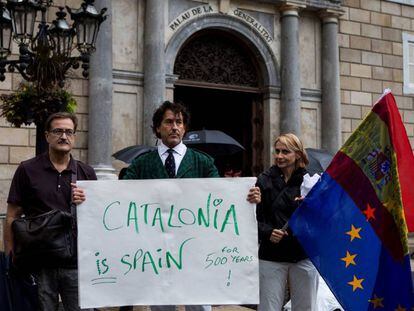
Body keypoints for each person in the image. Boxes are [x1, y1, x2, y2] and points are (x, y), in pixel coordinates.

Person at [122, 101, 261, 311]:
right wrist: (89, 198)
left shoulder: (203, 162)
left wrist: (247, 196)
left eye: (179, 122)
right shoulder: (142, 163)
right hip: (156, 250)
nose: (175, 127)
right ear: (158, 128)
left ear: (185, 128)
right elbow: (120, 196)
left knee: (198, 305)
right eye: (169, 122)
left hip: (196, 249)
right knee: (161, 305)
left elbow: (221, 197)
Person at [3, 112, 97, 311]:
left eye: (69, 132)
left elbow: (96, 218)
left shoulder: (85, 172)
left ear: (74, 136)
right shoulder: (27, 169)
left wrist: (87, 202)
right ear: (47, 136)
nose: (64, 136)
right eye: (58, 131)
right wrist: (10, 258)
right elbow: (12, 215)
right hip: (39, 264)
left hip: (76, 264)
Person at [256, 133, 319, 311]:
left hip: (302, 254)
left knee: (306, 307)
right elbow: (254, 219)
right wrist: (269, 232)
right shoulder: (263, 180)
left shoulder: (311, 182)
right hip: (271, 255)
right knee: (268, 307)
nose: (279, 156)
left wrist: (309, 206)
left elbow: (320, 221)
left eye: (285, 151)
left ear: (297, 154)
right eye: (277, 151)